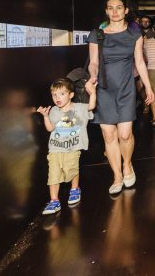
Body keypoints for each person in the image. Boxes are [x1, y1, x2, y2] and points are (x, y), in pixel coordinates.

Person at [88, 0, 155, 195]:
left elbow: (140, 62)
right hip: (103, 89)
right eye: (110, 8)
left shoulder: (134, 34)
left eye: (119, 8)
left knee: (125, 134)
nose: (115, 11)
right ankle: (117, 175)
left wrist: (148, 87)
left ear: (126, 10)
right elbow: (93, 62)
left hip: (126, 89)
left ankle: (127, 165)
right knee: (109, 135)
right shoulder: (97, 34)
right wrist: (92, 76)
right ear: (106, 11)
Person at [36, 78, 97, 214]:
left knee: (71, 169)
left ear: (71, 95)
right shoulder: (54, 111)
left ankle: (74, 189)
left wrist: (93, 93)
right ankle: (54, 201)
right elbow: (50, 128)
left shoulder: (79, 108)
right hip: (55, 148)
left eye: (62, 94)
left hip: (73, 148)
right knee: (53, 174)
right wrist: (45, 116)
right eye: (54, 95)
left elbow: (91, 106)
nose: (57, 98)